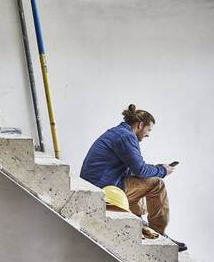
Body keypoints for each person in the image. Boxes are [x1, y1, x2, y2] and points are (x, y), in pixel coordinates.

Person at [80, 104, 187, 251]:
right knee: (157, 184)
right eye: (148, 130)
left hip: (99, 185)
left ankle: (138, 223)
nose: (148, 134)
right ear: (140, 125)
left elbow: (133, 170)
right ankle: (159, 235)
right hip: (104, 190)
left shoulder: (117, 133)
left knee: (143, 181)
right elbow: (141, 170)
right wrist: (162, 171)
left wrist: (155, 168)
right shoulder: (127, 136)